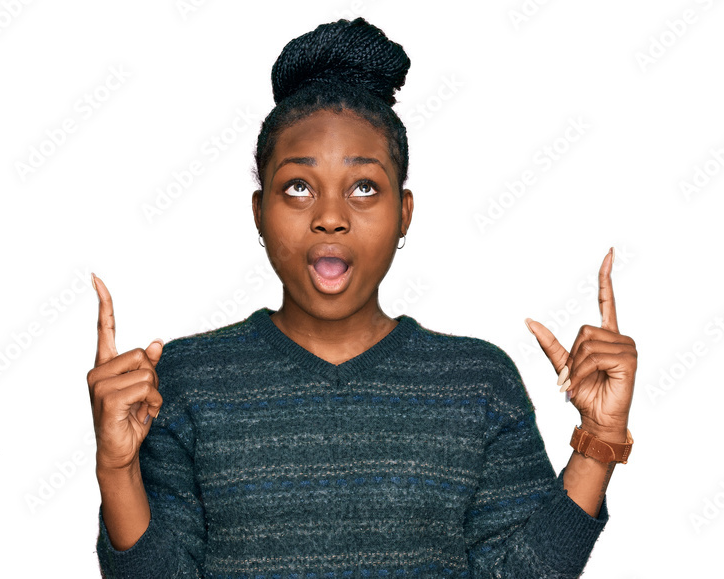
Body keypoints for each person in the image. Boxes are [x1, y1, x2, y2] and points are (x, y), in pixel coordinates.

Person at [87, 17, 637, 579]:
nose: (329, 217)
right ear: (259, 212)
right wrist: (117, 468)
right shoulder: (186, 379)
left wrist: (601, 441)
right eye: (298, 187)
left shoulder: (477, 380)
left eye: (364, 188)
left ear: (404, 213)